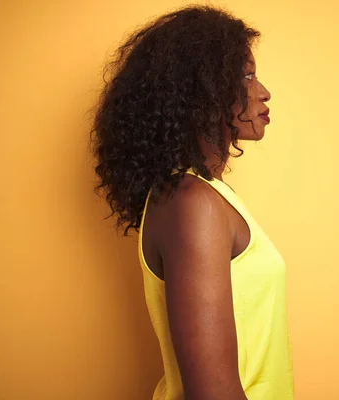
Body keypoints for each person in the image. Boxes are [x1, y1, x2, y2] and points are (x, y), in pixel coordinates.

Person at [90, 5, 294, 399]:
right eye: (247, 76)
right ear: (203, 91)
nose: (263, 91)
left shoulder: (208, 195)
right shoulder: (193, 203)